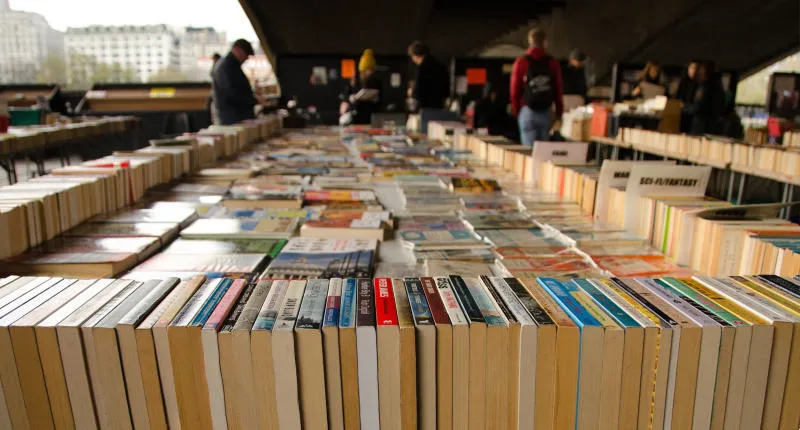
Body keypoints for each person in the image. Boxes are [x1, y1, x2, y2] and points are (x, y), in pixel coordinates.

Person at [510, 28, 564, 147]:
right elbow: (558, 89)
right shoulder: (552, 62)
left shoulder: (521, 62)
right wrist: (559, 112)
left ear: (530, 41)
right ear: (545, 42)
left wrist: (517, 111)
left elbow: (514, 90)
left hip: (527, 110)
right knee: (543, 152)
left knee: (529, 153)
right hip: (546, 110)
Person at [212, 39, 261, 125]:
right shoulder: (226, 66)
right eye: (246, 55)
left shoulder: (230, 65)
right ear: (237, 50)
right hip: (233, 118)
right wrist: (254, 100)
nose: (246, 58)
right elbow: (232, 93)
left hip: (235, 117)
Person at [340, 49, 383, 125]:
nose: (370, 72)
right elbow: (346, 94)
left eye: (371, 70)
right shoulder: (354, 80)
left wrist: (376, 99)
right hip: (356, 113)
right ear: (362, 70)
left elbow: (381, 97)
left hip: (370, 113)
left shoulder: (376, 81)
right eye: (367, 70)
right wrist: (350, 98)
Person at [408, 41, 449, 110]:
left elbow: (418, 89)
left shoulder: (422, 68)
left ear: (415, 55)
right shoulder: (440, 66)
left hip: (425, 106)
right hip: (439, 105)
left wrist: (412, 92)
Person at [688, 62, 725, 135]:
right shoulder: (718, 87)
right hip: (711, 126)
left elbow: (698, 107)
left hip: (702, 127)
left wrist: (685, 107)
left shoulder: (705, 87)